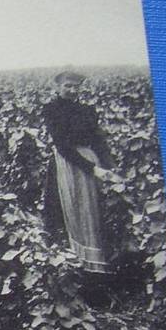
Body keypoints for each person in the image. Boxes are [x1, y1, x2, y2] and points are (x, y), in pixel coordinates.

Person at [42, 71, 118, 274]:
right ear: (57, 87)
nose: (72, 90)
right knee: (62, 212)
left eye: (76, 86)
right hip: (65, 165)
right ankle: (70, 267)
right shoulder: (51, 110)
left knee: (91, 212)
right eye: (67, 85)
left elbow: (98, 140)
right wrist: (93, 169)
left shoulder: (87, 110)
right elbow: (62, 145)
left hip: (89, 164)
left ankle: (93, 269)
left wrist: (109, 168)